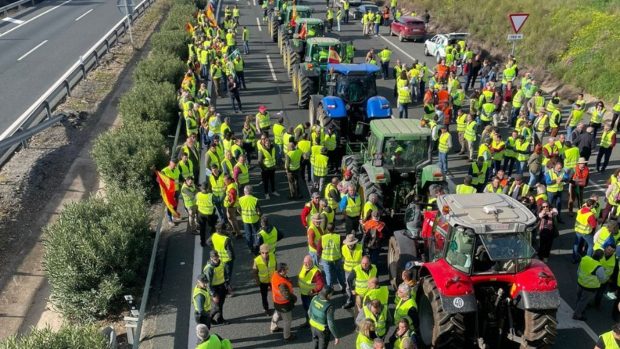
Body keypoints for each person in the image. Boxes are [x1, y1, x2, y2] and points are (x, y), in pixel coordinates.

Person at [573, 249, 606, 321]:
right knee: (583, 301)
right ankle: (577, 314)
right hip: (589, 287)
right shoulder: (599, 267)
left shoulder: (585, 258)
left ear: (593, 253)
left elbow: (579, 269)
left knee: (579, 297)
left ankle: (577, 308)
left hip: (580, 282)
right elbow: (602, 279)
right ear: (601, 257)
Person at [271, 263, 297, 342]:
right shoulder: (282, 283)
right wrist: (294, 298)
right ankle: (287, 336)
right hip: (284, 304)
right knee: (287, 320)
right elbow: (287, 295)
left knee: (277, 314)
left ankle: (273, 327)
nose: (287, 270)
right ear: (282, 271)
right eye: (286, 269)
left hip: (276, 301)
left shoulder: (275, 275)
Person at [203, 250, 230, 325]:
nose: (216, 260)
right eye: (214, 259)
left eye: (217, 257)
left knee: (221, 304)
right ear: (211, 258)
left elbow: (225, 275)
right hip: (214, 288)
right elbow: (208, 283)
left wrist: (228, 286)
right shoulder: (209, 268)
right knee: (217, 307)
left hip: (222, 286)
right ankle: (209, 319)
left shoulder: (221, 263)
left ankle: (220, 319)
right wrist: (213, 294)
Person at [319, 222, 347, 290]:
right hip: (337, 258)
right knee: (339, 273)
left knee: (328, 275)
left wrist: (321, 256)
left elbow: (318, 249)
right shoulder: (338, 237)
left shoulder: (322, 238)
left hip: (326, 259)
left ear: (327, 229)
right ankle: (343, 286)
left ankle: (330, 289)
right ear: (334, 229)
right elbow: (342, 247)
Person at [253, 244, 276, 316]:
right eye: (263, 253)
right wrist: (257, 281)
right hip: (263, 281)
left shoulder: (273, 256)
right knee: (264, 296)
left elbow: (275, 268)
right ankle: (266, 309)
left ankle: (277, 308)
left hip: (272, 280)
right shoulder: (257, 260)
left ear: (269, 251)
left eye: (266, 252)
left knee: (275, 294)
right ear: (260, 252)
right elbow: (255, 272)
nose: (265, 254)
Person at [239, 185, 261, 252]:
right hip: (254, 220)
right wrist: (260, 216)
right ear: (252, 192)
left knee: (248, 235)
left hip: (245, 220)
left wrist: (242, 214)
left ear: (244, 192)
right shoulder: (255, 200)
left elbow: (238, 209)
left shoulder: (240, 199)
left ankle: (250, 248)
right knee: (256, 234)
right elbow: (259, 212)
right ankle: (257, 248)